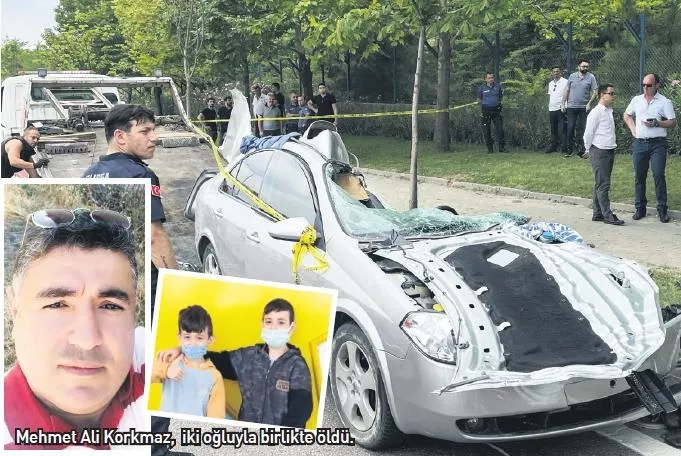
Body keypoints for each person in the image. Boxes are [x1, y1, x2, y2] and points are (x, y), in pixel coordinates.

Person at [4, 208, 146, 449]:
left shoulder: (160, 359)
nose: (87, 340)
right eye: (57, 304)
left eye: (110, 306)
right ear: (15, 310)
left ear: (134, 312)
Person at [82, 104, 179, 456]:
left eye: (154, 130)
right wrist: (175, 282)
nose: (155, 138)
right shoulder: (142, 175)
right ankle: (155, 449)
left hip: (110, 285)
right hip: (146, 284)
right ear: (120, 137)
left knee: (126, 364)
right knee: (160, 361)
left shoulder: (91, 174)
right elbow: (155, 238)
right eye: (145, 131)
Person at [157, 298, 313, 428]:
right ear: (262, 324)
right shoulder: (248, 357)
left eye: (281, 322)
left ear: (291, 328)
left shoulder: (296, 366)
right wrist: (181, 349)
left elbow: (301, 411)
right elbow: (215, 359)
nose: (274, 327)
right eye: (268, 321)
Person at [152, 305, 225, 419]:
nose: (193, 343)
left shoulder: (215, 377)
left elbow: (216, 418)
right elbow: (145, 376)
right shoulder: (170, 361)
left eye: (199, 338)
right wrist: (166, 371)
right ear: (179, 338)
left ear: (210, 340)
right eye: (187, 337)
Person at [623, 73, 677, 223]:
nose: (645, 88)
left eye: (649, 85)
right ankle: (640, 208)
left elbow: (672, 122)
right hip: (640, 143)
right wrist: (633, 130)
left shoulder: (664, 102)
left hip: (658, 144)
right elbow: (627, 115)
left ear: (657, 86)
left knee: (658, 174)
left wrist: (657, 123)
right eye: (644, 85)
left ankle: (662, 209)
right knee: (639, 176)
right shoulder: (637, 100)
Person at [583, 84, 623, 226]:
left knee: (600, 183)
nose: (613, 96)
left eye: (613, 93)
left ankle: (597, 213)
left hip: (608, 149)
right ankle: (607, 215)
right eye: (610, 93)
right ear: (601, 95)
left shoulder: (608, 111)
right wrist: (588, 149)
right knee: (604, 184)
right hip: (599, 150)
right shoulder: (596, 113)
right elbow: (588, 133)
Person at [563, 59, 598, 158]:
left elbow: (595, 92)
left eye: (587, 66)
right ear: (578, 67)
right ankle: (569, 150)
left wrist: (589, 103)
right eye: (583, 66)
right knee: (570, 128)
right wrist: (563, 103)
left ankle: (583, 150)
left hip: (584, 108)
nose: (585, 68)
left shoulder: (591, 77)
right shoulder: (572, 76)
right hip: (571, 107)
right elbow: (567, 90)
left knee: (584, 129)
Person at [477, 72, 506, 153]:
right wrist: (481, 107)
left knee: (500, 130)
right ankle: (490, 149)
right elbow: (479, 100)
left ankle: (502, 148)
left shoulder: (498, 87)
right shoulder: (481, 88)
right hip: (485, 112)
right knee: (486, 131)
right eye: (489, 78)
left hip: (496, 111)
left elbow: (500, 97)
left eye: (492, 77)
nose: (491, 79)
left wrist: (498, 105)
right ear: (485, 79)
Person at [546, 67, 568, 153]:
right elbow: (551, 95)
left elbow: (567, 94)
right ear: (552, 73)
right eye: (554, 72)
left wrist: (565, 105)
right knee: (553, 128)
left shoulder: (565, 81)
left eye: (557, 71)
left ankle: (563, 147)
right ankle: (553, 146)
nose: (555, 73)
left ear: (560, 72)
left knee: (563, 128)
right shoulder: (550, 83)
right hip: (552, 108)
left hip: (561, 108)